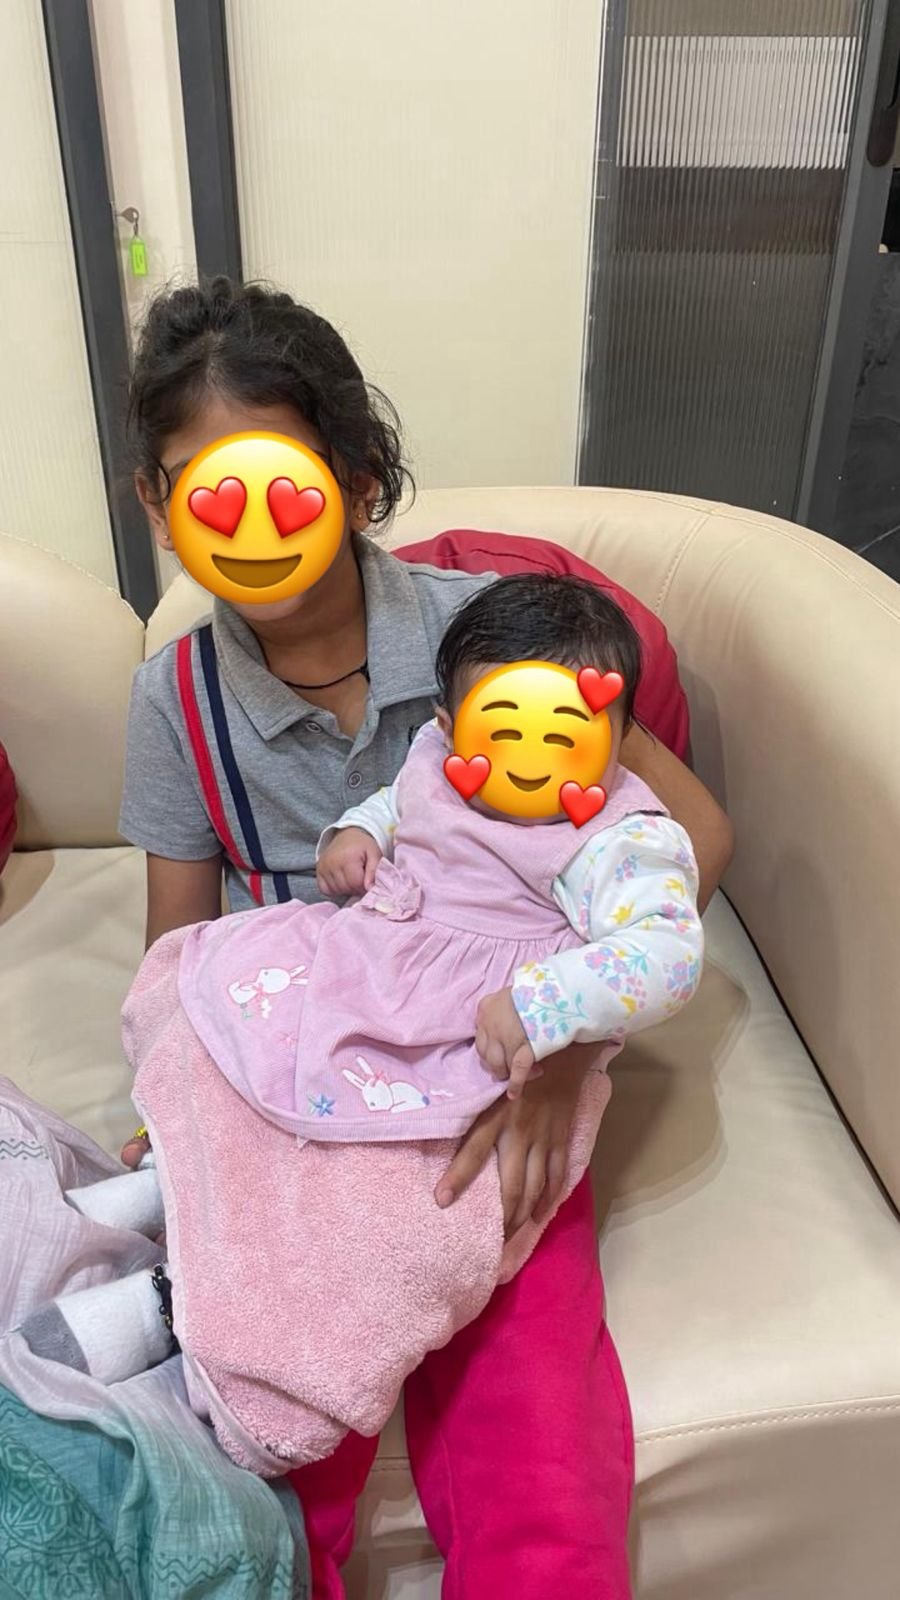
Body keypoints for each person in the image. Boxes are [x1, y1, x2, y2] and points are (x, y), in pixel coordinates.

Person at [115, 277, 733, 1598]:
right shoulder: (176, 698)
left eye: (284, 488)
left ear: (357, 478)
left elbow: (695, 842)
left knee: (536, 1452)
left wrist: (565, 1050)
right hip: (312, 1066)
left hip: (505, 1068)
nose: (250, 530)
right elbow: (178, 944)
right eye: (205, 495)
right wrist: (176, 1115)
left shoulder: (496, 638)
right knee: (257, 1437)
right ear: (159, 507)